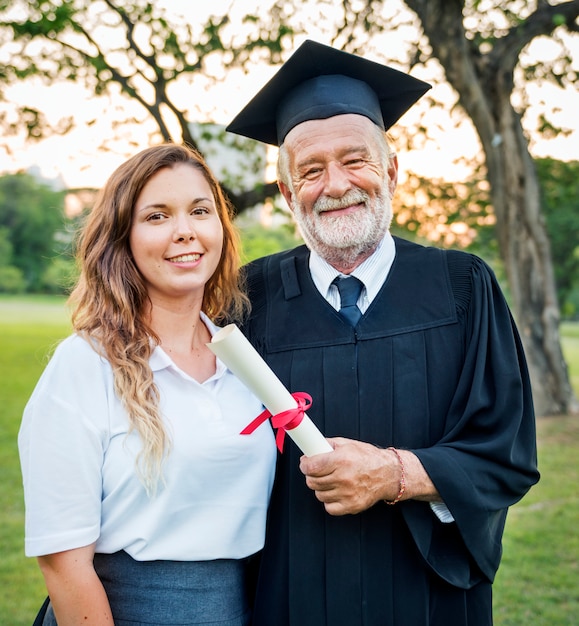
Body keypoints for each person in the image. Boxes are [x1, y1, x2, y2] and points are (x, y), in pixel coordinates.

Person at [226, 40, 540, 625]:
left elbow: (507, 457)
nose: (336, 184)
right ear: (288, 194)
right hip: (290, 597)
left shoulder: (463, 288)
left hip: (429, 599)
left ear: (392, 171)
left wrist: (394, 474)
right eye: (310, 171)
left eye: (356, 160)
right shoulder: (246, 301)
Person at [18, 144, 276, 626]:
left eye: (200, 211)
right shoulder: (86, 364)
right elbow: (62, 560)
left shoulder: (245, 360)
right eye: (157, 216)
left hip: (242, 606)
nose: (185, 231)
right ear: (124, 239)